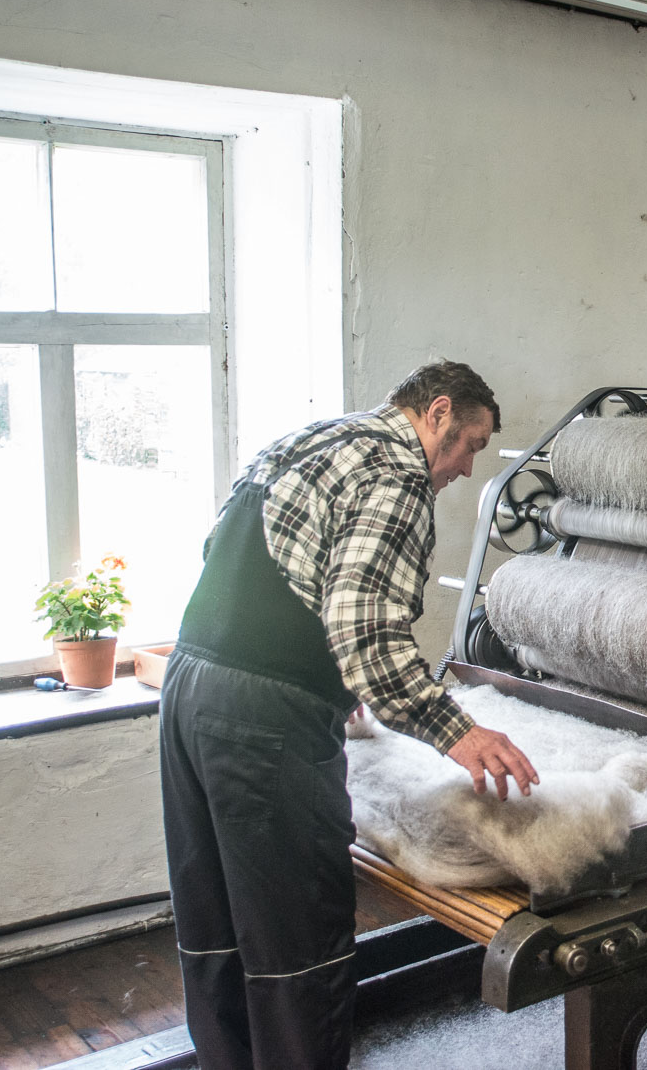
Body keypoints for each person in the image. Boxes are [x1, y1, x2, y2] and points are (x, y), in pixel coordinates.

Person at [158, 359, 539, 1069]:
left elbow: (228, 552)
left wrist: (329, 667)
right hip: (263, 719)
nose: (466, 469)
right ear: (438, 412)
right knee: (297, 941)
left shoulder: (313, 438)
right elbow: (366, 633)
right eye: (470, 445)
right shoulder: (396, 474)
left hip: (189, 686)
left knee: (217, 927)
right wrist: (460, 732)